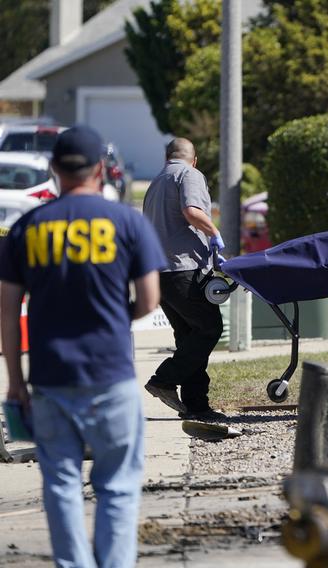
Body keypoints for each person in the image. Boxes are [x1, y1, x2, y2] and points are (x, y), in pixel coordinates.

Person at [0, 125, 166, 567]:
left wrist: (15, 383)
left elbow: (6, 312)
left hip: (52, 380)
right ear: (100, 170)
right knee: (116, 484)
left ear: (53, 169)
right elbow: (150, 299)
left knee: (60, 483)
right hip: (110, 376)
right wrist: (113, 316)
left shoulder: (26, 229)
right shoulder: (128, 222)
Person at [142, 138, 227, 421]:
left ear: (166, 157)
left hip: (159, 272)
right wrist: (214, 233)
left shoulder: (156, 182)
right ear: (195, 159)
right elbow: (192, 211)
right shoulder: (188, 174)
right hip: (183, 270)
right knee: (209, 328)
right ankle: (164, 379)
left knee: (189, 339)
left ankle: (196, 406)